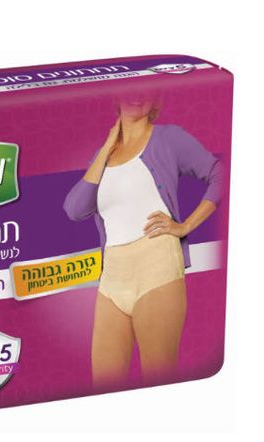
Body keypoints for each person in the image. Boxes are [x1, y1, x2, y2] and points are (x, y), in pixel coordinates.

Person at [63, 97, 223, 389]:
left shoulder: (168, 138)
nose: (136, 96)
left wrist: (185, 226)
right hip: (112, 278)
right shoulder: (103, 155)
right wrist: (108, 145)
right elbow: (74, 210)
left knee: (158, 379)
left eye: (145, 92)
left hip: (156, 266)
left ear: (155, 101)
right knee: (103, 387)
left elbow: (220, 174)